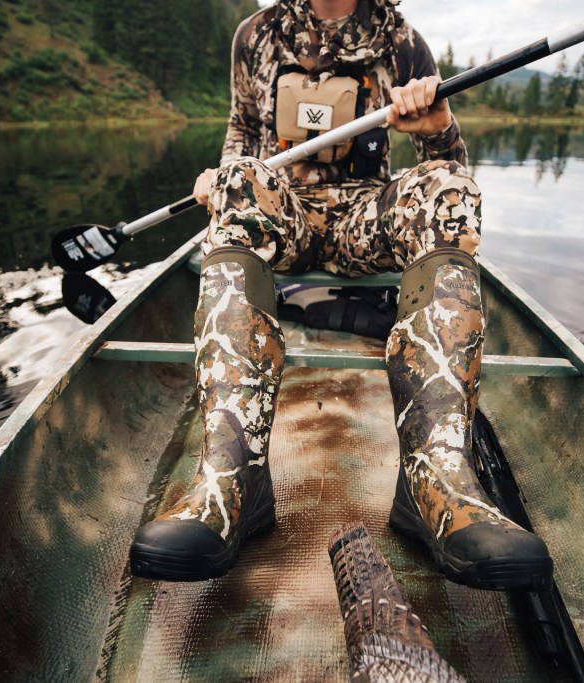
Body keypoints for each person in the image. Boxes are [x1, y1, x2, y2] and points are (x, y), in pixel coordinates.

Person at [129, 0, 552, 592]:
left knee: (446, 190)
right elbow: (241, 134)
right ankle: (233, 478)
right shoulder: (257, 35)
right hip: (289, 220)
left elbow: (450, 169)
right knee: (233, 185)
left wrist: (438, 129)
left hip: (364, 221)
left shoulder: (400, 40)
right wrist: (224, 175)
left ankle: (436, 480)